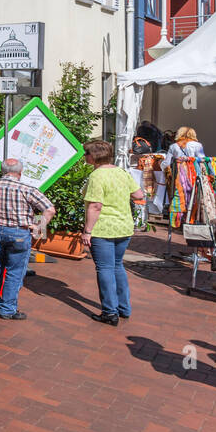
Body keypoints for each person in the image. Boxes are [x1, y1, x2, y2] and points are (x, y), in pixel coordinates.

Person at [81, 139, 145, 327]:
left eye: (86, 153)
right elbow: (139, 194)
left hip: (103, 228)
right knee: (117, 266)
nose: (85, 156)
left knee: (105, 268)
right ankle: (124, 307)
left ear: (93, 156)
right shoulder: (121, 172)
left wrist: (87, 230)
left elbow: (95, 205)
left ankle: (110, 312)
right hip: (123, 226)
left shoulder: (97, 176)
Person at [0, 157, 54, 320]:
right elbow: (49, 209)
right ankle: (7, 309)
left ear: (3, 170)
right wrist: (38, 227)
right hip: (18, 233)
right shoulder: (28, 189)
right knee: (15, 272)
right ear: (20, 173)